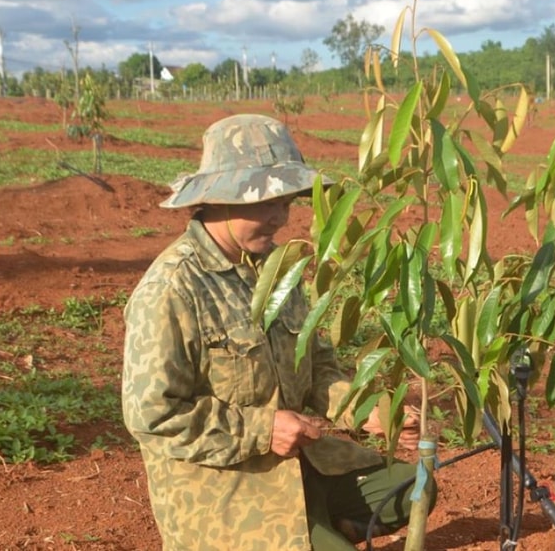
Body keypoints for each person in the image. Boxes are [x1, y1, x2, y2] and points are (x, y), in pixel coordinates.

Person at [122, 114, 428, 550]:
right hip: (226, 488)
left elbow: (317, 367)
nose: (279, 217)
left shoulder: (277, 269)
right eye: (265, 202)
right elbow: (153, 416)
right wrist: (263, 430)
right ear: (219, 199)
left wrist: (366, 409)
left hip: (303, 466)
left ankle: (323, 524)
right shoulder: (172, 289)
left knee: (416, 488)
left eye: (286, 202)